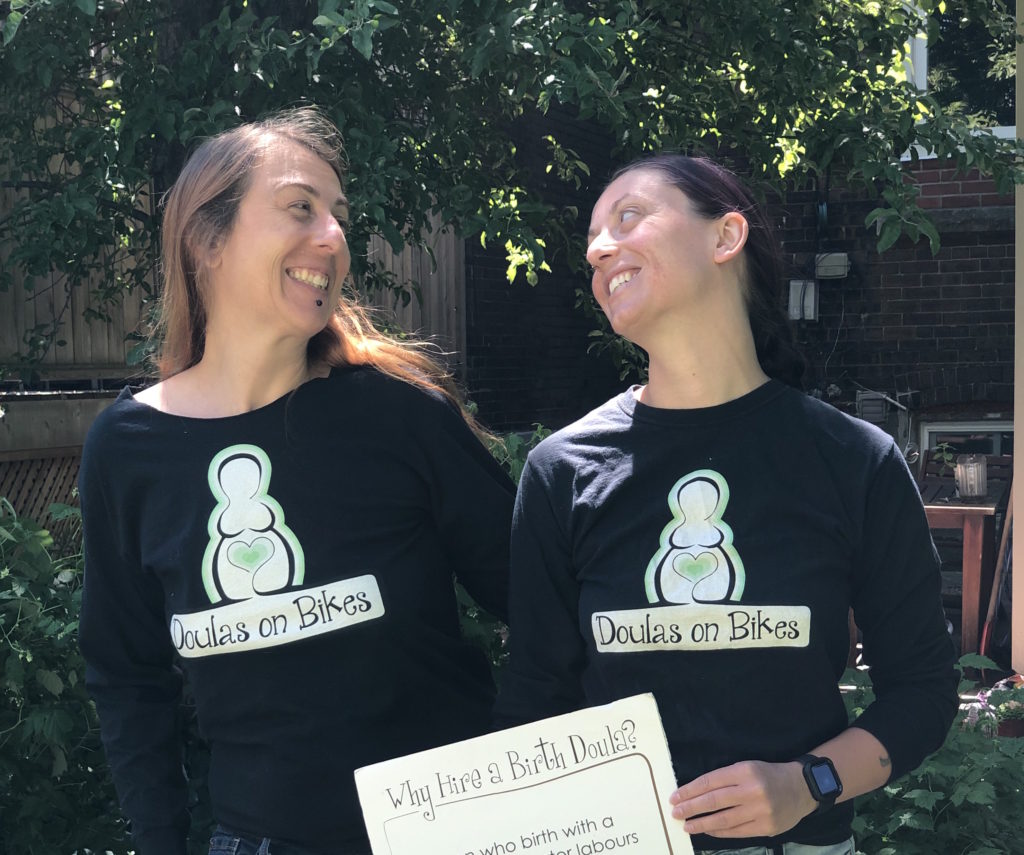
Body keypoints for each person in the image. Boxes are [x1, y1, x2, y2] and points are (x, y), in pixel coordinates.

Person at [78, 107, 515, 855]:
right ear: (207, 239)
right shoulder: (128, 448)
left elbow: (543, 603)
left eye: (339, 215)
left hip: (449, 831)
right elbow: (126, 673)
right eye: (300, 207)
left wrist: (541, 783)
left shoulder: (401, 415)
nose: (334, 236)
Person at [495, 154, 958, 855]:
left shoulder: (852, 459)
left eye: (627, 217)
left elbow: (922, 691)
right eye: (591, 240)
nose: (596, 250)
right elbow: (535, 702)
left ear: (725, 236)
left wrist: (807, 784)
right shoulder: (563, 470)